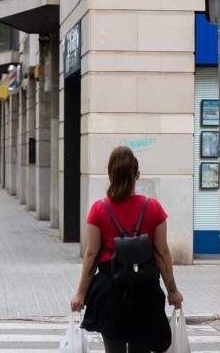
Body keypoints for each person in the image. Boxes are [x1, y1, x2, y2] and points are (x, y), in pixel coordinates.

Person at [70, 146, 183, 353]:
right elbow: (162, 253)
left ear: (110, 175)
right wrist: (172, 291)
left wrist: (80, 293)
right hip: (145, 291)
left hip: (110, 291)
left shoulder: (99, 209)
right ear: (137, 175)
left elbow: (92, 254)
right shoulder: (153, 208)